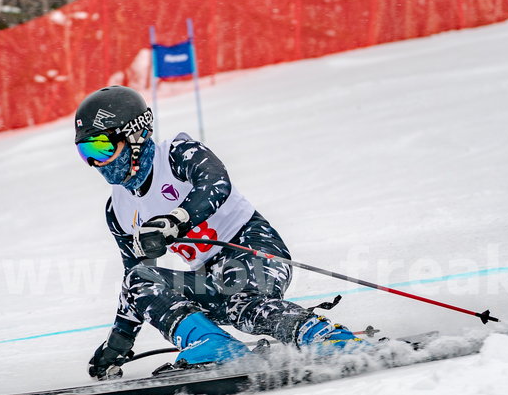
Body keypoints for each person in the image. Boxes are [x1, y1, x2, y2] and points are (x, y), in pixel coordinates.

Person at [74, 86, 364, 379]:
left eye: (102, 147)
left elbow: (216, 184)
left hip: (253, 249)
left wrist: (176, 220)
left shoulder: (178, 155)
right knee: (140, 279)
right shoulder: (118, 210)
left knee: (243, 304)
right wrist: (118, 343)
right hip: (210, 276)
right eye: (86, 152)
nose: (97, 162)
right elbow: (137, 278)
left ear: (135, 135)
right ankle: (212, 345)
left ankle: (324, 337)